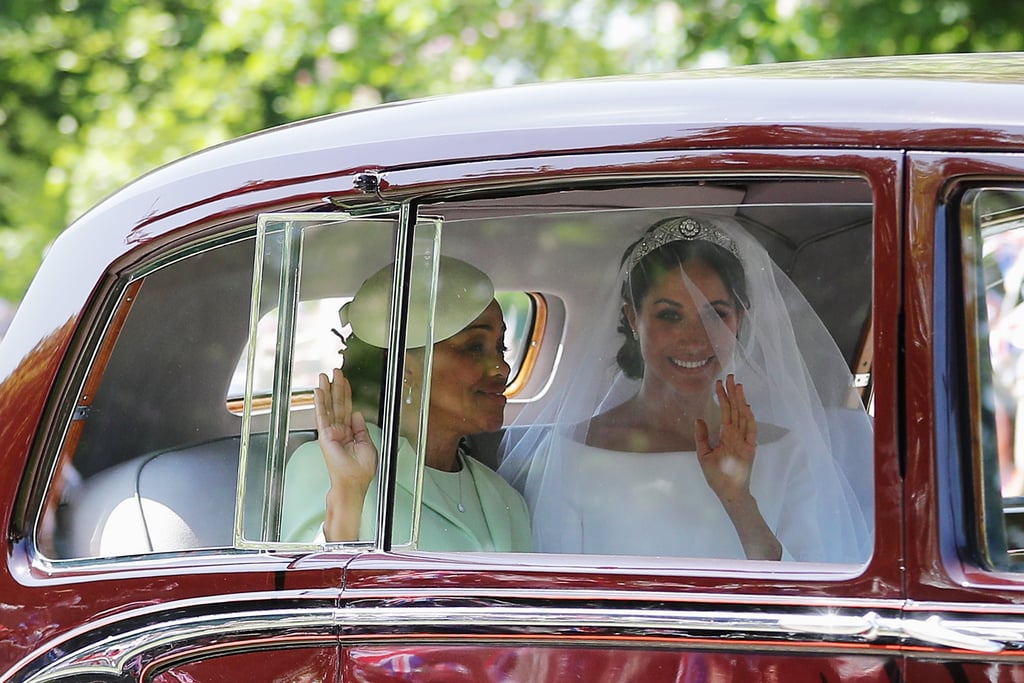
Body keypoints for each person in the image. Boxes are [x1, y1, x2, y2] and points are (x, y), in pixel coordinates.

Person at [499, 214, 872, 563]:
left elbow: (809, 601)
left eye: (716, 314)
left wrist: (739, 501)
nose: (695, 339)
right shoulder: (569, 453)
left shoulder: (787, 453)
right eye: (669, 315)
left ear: (738, 320)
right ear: (633, 319)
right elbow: (560, 604)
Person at [282, 256, 531, 551]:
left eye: (500, 347)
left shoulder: (507, 499)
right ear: (406, 370)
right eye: (475, 347)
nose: (502, 368)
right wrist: (348, 493)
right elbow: (308, 590)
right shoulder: (329, 464)